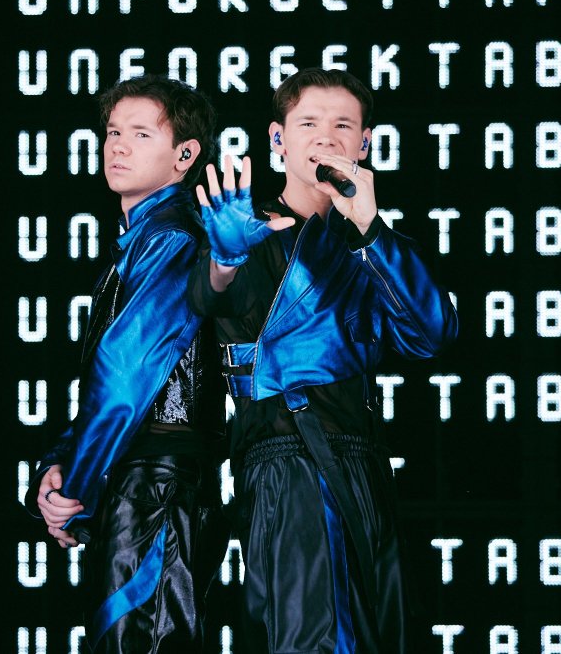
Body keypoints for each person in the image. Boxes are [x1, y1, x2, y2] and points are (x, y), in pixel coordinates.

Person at [187, 68, 458, 653]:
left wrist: (369, 229)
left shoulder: (373, 245)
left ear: (364, 144)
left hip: (366, 466)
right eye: (308, 123)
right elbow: (209, 298)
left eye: (343, 125)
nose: (326, 137)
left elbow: (432, 334)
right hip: (286, 462)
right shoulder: (244, 229)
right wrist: (225, 259)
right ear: (278, 139)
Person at [23, 75, 230, 653]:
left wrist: (75, 487)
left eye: (141, 134)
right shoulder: (145, 238)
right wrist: (63, 463)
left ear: (185, 155)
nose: (117, 146)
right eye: (113, 132)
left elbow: (124, 374)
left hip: (156, 486)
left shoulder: (171, 237)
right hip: (146, 483)